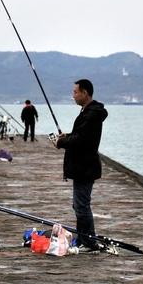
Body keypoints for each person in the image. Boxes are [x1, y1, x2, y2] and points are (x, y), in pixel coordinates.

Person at [55, 79, 108, 252]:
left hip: (85, 167)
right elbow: (79, 135)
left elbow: (81, 140)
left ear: (85, 93)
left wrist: (62, 142)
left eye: (75, 92)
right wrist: (66, 136)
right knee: (79, 205)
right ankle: (82, 238)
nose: (73, 95)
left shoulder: (91, 114)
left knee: (82, 205)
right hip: (82, 166)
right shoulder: (87, 112)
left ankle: (89, 242)